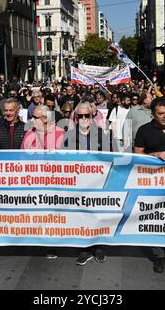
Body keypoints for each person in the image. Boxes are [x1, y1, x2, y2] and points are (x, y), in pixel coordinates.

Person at [134, 98, 165, 273]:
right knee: (156, 217)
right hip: (153, 181)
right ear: (152, 114)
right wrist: (156, 154)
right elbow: (138, 156)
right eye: (160, 113)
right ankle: (159, 256)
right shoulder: (144, 131)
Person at [62, 102, 112, 265]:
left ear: (92, 117)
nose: (83, 118)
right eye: (80, 116)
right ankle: (83, 249)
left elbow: (110, 157)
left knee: (97, 215)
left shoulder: (101, 134)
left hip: (98, 183)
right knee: (80, 216)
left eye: (87, 115)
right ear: (75, 117)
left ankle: (98, 247)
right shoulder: (69, 135)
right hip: (78, 184)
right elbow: (63, 160)